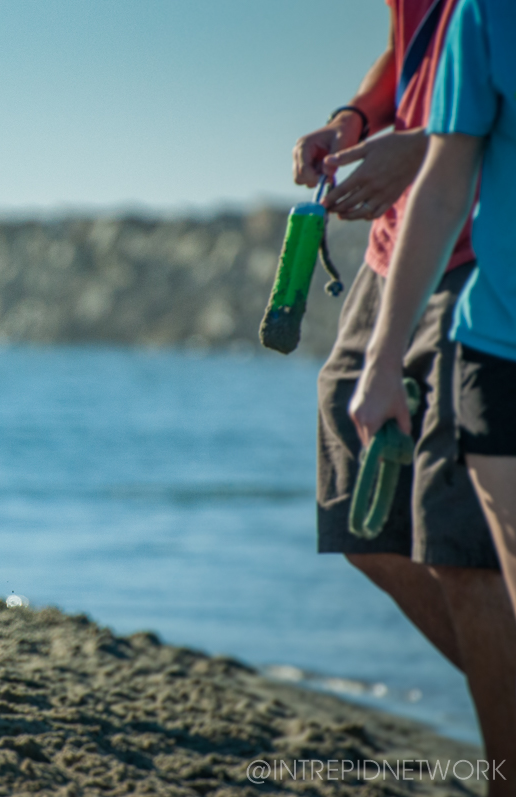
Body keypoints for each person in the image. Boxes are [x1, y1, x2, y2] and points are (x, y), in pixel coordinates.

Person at [294, 0, 516, 773]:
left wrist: (419, 149)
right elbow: (410, 45)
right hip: (398, 250)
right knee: (361, 519)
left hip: (481, 261)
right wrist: (355, 119)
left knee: (461, 546)